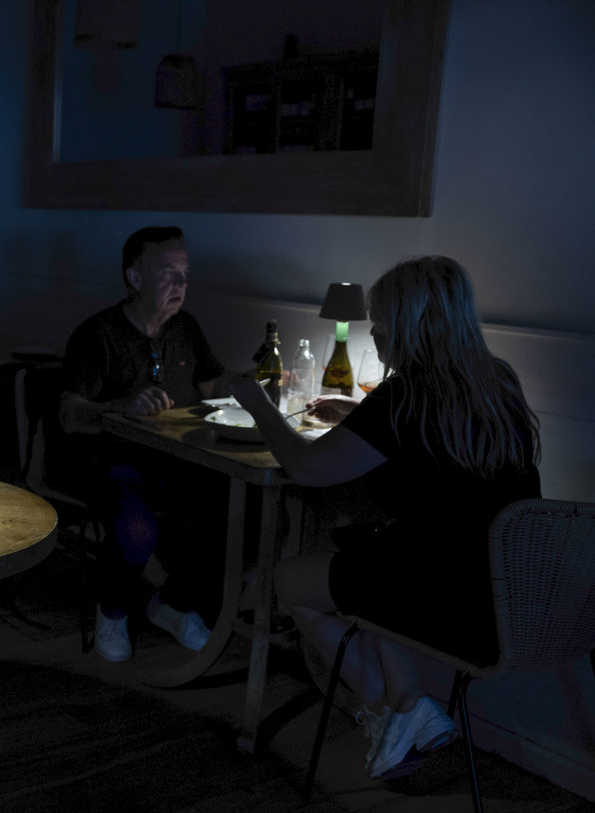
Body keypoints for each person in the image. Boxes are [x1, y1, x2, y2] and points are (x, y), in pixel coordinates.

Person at [230, 256, 541, 780]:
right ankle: (406, 706)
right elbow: (433, 444)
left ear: (407, 325)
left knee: (292, 580)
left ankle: (390, 706)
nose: (375, 333)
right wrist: (356, 417)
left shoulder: (405, 395)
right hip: (504, 589)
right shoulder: (499, 382)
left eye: (381, 322)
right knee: (369, 555)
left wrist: (258, 405)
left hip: (438, 596)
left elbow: (307, 468)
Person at [59, 226, 232, 662]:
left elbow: (214, 386)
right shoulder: (97, 334)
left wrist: (262, 387)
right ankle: (112, 610)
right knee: (136, 527)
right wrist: (120, 406)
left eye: (185, 274)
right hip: (112, 458)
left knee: (237, 511)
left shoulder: (186, 328)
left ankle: (171, 606)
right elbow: (69, 414)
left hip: (180, 457)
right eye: (168, 273)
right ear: (134, 278)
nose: (181, 284)